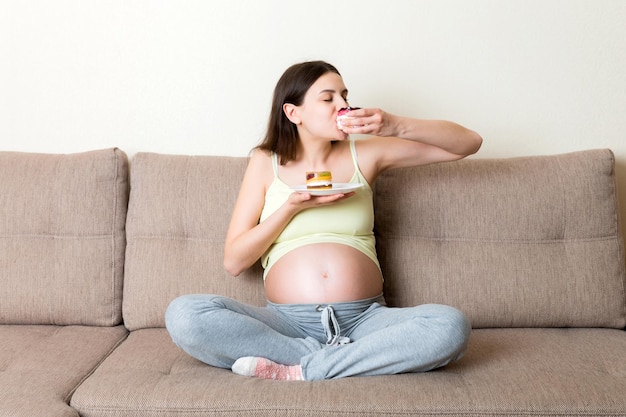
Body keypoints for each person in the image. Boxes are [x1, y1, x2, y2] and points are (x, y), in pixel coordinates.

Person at [165, 60, 482, 381]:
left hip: (365, 321)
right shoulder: (265, 162)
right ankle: (340, 361)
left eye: (344, 96)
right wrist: (291, 207)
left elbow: (468, 143)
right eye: (328, 98)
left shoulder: (367, 154)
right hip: (286, 325)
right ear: (294, 113)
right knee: (185, 314)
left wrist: (394, 125)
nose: (343, 105)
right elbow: (234, 261)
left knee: (449, 325)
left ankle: (300, 368)